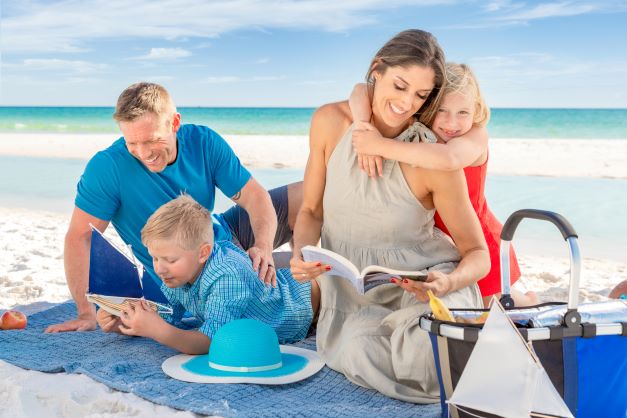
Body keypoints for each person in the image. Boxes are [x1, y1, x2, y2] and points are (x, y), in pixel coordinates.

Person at [289, 30, 490, 403]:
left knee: (432, 348)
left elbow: (478, 252)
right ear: (376, 71)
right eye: (399, 85)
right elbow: (311, 210)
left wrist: (447, 283)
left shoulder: (431, 157)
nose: (405, 103)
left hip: (424, 288)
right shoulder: (330, 122)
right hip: (353, 296)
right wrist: (302, 252)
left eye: (421, 95)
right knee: (355, 348)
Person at [46, 82, 302, 333]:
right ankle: (287, 271)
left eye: (151, 140)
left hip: (219, 235)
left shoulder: (204, 142)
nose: (143, 153)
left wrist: (264, 246)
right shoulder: (107, 168)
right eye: (132, 143)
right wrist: (85, 312)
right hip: (183, 274)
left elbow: (255, 197)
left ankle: (295, 265)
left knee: (305, 195)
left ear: (175, 123)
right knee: (274, 289)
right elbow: (80, 236)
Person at [350, 63, 537, 307]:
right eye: (443, 111)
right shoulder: (422, 132)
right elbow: (361, 89)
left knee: (494, 305)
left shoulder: (474, 137)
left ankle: (532, 301)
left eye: (463, 112)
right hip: (437, 246)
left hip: (479, 242)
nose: (453, 123)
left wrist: (376, 145)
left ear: (477, 110)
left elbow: (450, 159)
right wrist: (361, 124)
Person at [97, 195, 318, 354]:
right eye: (155, 258)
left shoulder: (225, 275)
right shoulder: (177, 275)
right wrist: (126, 322)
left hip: (303, 305)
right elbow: (164, 314)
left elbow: (213, 341)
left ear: (203, 253)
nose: (160, 268)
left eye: (170, 260)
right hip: (273, 291)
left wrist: (158, 331)